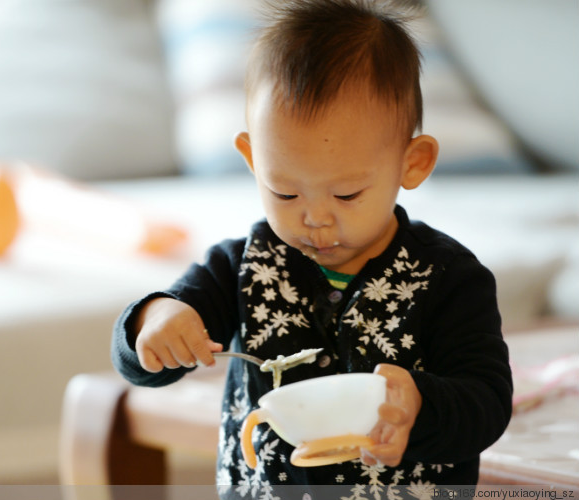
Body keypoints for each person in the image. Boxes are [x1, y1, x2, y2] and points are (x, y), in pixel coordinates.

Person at [111, 0, 512, 496]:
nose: (315, 217)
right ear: (253, 159)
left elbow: (488, 403)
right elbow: (151, 356)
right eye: (286, 192)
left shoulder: (448, 276)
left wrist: (421, 406)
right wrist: (153, 322)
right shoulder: (240, 268)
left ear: (413, 163)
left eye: (346, 195)